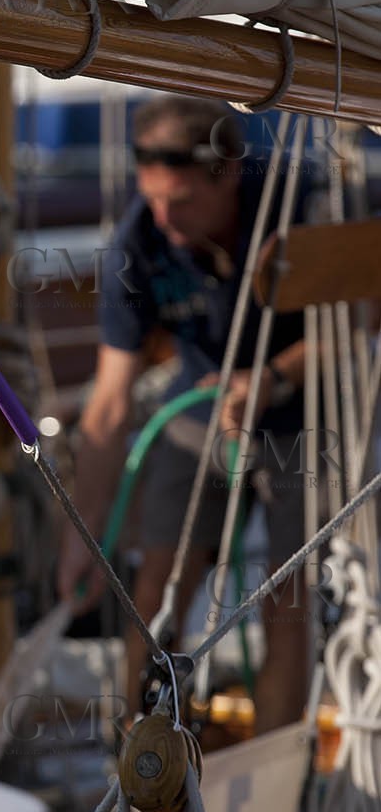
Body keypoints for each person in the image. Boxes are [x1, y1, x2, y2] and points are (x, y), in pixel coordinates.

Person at [57, 95, 308, 732]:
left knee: (289, 603)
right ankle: (140, 765)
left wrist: (272, 380)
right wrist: (80, 537)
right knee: (156, 596)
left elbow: (355, 326)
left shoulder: (295, 206)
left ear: (227, 174)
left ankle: (272, 789)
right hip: (199, 409)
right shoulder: (138, 243)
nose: (163, 218)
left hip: (304, 417)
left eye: (182, 201)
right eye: (154, 198)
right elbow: (111, 404)